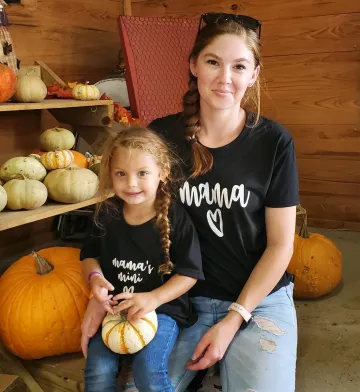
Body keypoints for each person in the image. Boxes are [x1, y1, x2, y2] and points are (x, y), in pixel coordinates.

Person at [81, 11, 299, 392]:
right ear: (194, 65)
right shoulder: (159, 137)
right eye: (213, 62)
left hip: (257, 300)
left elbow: (281, 246)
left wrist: (234, 319)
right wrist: (97, 294)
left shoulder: (274, 142)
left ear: (254, 74)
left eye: (239, 66)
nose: (225, 78)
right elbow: (120, 226)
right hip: (176, 302)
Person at [80, 125, 204, 392]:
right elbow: (89, 254)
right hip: (115, 310)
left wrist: (153, 298)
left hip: (162, 310)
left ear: (163, 172)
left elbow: (190, 273)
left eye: (142, 173)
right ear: (110, 174)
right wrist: (95, 278)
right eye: (121, 174)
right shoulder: (107, 212)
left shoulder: (175, 217)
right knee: (97, 369)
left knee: (148, 368)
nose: (131, 183)